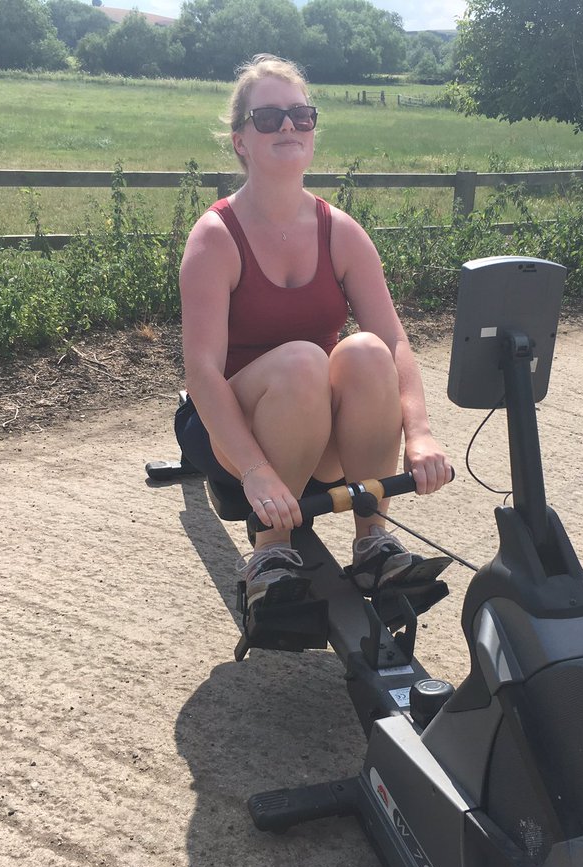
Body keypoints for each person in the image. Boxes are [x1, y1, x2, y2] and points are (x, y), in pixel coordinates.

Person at [175, 54, 453, 606]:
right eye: (268, 117)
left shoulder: (341, 232)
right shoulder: (215, 237)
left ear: (313, 131)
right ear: (240, 141)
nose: (287, 127)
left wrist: (419, 431)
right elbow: (202, 371)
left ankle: (374, 543)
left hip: (312, 428)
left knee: (368, 352)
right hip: (230, 431)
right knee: (304, 359)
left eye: (301, 116)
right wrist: (254, 471)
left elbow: (395, 341)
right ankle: (270, 552)